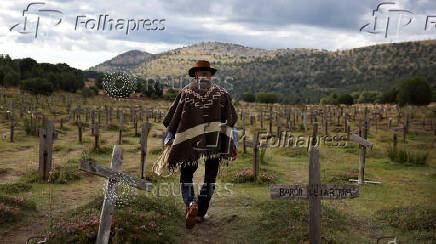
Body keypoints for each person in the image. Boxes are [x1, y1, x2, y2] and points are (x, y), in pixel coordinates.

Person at [162, 60, 238, 229]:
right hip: (216, 143)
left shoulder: (186, 92)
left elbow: (173, 119)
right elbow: (231, 122)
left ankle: (190, 204)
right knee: (210, 177)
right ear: (210, 75)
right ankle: (201, 212)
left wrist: (168, 141)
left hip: (190, 143)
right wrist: (234, 145)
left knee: (186, 174)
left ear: (196, 74)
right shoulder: (223, 93)